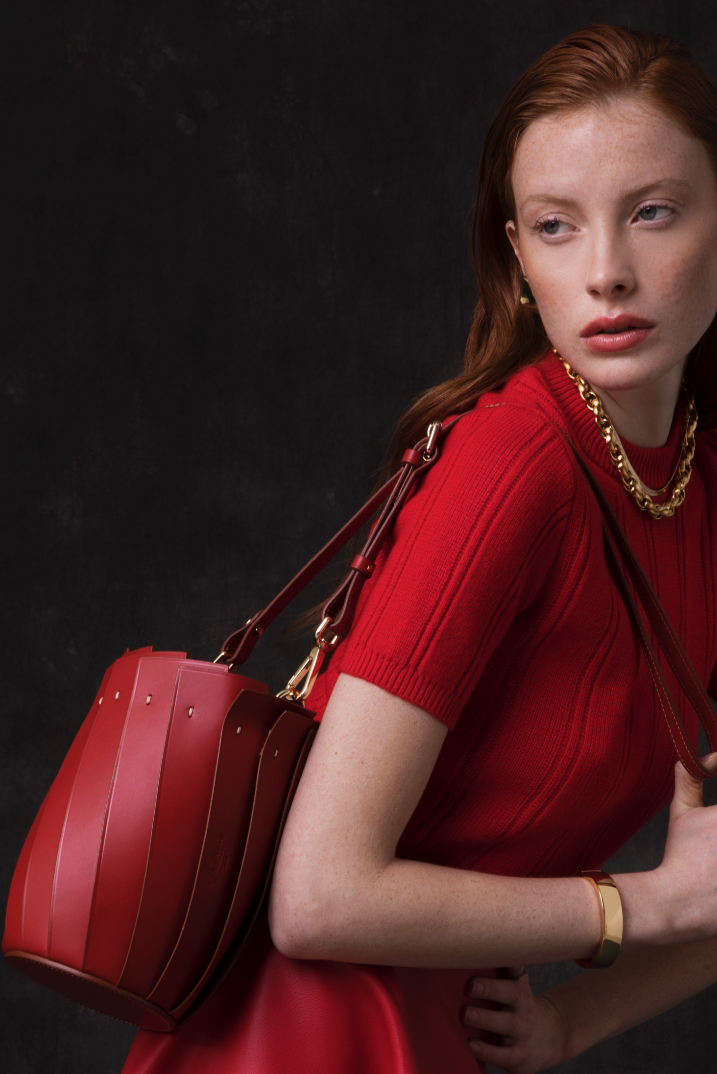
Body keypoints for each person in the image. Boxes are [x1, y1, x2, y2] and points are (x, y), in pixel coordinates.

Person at [123, 24, 717, 1074]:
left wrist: (576, 1021)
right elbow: (317, 896)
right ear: (518, 258)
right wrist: (637, 908)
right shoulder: (513, 463)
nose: (609, 272)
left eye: (654, 213)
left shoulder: (697, 477)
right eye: (556, 227)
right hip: (303, 1042)